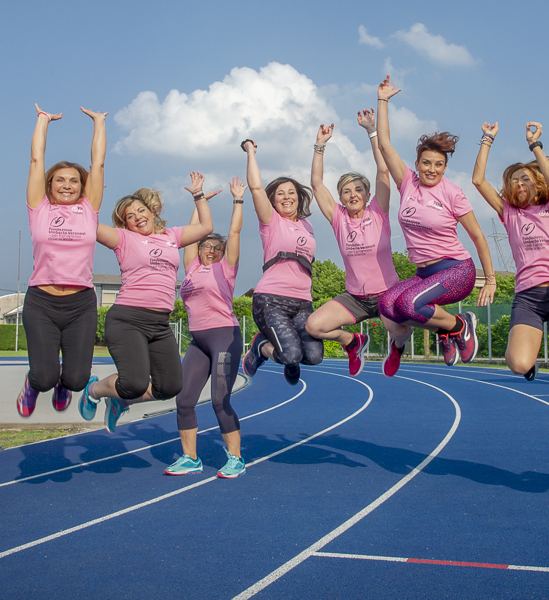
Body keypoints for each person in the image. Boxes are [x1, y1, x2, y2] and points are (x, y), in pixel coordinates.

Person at [374, 76, 497, 376]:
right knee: (388, 305)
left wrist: (491, 279)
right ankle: (446, 329)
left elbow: (478, 236)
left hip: (457, 270)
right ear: (416, 164)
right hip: (424, 273)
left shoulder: (452, 193)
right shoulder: (407, 183)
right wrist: (383, 100)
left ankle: (459, 325)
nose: (431, 169)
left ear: (445, 167)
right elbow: (385, 144)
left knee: (409, 305)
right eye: (426, 163)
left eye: (438, 165)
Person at [79, 174, 212, 432]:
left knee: (170, 387)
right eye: (130, 215)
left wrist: (198, 194)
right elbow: (87, 224)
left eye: (141, 210)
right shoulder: (123, 239)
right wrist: (89, 195)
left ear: (152, 212)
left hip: (160, 324)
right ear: (124, 222)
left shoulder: (171, 236)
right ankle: (93, 390)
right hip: (128, 320)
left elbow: (206, 226)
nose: (138, 216)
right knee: (135, 382)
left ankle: (120, 401)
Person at [470, 120, 549, 382]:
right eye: (514, 181)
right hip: (527, 298)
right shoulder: (510, 214)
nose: (520, 184)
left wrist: (534, 145)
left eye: (525, 179)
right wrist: (487, 140)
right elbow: (478, 181)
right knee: (519, 365)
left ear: (537, 182)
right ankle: (527, 358)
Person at [17, 105, 106, 418]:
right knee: (43, 377)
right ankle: (34, 384)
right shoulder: (38, 208)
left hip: (80, 304)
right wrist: (42, 121)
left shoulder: (88, 210)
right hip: (42, 300)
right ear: (49, 185)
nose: (67, 185)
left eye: (73, 181)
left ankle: (64, 385)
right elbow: (36, 160)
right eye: (60, 180)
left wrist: (98, 123)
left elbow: (98, 164)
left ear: (82, 187)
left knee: (77, 379)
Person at [303, 109, 398, 376]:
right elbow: (316, 183)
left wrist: (372, 132)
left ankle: (397, 347)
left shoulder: (378, 211)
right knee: (314, 326)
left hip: (386, 293)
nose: (352, 194)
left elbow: (383, 170)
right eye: (346, 191)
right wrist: (320, 145)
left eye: (358, 189)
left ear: (368, 195)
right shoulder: (338, 217)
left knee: (400, 329)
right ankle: (353, 342)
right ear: (341, 199)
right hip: (355, 297)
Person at [165, 177, 247, 479]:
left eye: (216, 247)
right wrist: (200, 203)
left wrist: (238, 200)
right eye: (206, 246)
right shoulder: (192, 268)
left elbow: (235, 231)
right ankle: (190, 458)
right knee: (184, 400)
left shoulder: (226, 268)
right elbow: (189, 235)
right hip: (198, 341)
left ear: (223, 252)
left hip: (224, 336)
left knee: (218, 400)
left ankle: (235, 458)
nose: (210, 250)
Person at [240, 139, 319, 385]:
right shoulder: (271, 221)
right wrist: (251, 152)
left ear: (299, 198)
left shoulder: (307, 225)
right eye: (280, 194)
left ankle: (291, 360)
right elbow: (255, 188)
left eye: (291, 193)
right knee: (291, 354)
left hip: (303, 303)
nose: (286, 197)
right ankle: (259, 347)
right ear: (273, 201)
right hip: (271, 300)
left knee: (314, 357)